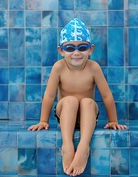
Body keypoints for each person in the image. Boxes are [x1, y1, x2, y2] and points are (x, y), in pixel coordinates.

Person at [28, 18, 127, 176]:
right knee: (70, 100)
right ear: (61, 50)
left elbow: (107, 95)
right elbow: (49, 95)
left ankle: (83, 147)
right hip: (65, 114)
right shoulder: (58, 67)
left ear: (90, 49)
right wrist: (43, 121)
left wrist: (113, 120)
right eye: (70, 48)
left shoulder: (93, 67)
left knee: (87, 102)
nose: (76, 53)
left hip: (87, 117)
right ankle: (67, 145)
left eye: (82, 47)